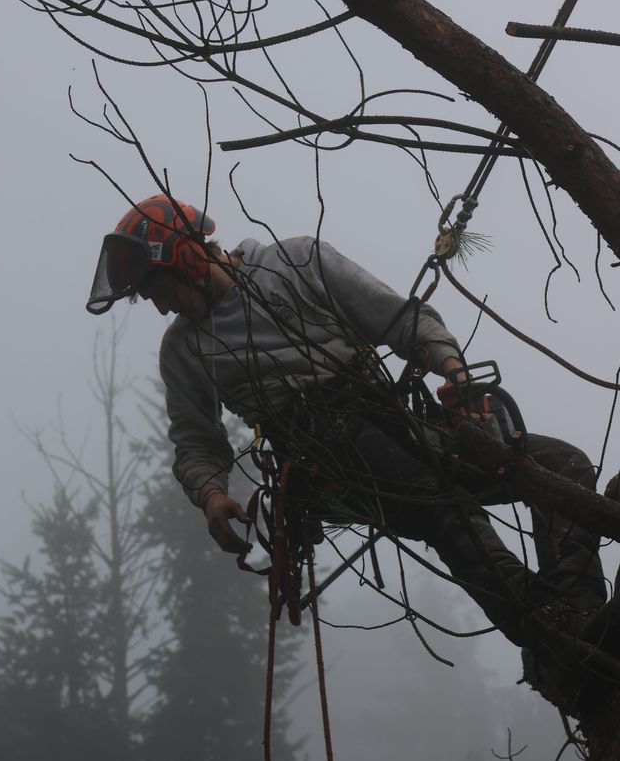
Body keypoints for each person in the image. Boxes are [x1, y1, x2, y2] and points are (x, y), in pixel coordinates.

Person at [87, 194, 609, 647]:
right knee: (449, 511)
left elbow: (399, 319)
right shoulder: (184, 349)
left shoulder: (294, 262)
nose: (159, 310)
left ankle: (579, 618)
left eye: (157, 291)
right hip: (323, 454)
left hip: (396, 422)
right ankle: (555, 635)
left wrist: (456, 372)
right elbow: (196, 440)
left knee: (562, 465)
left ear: (185, 256)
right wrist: (212, 494)